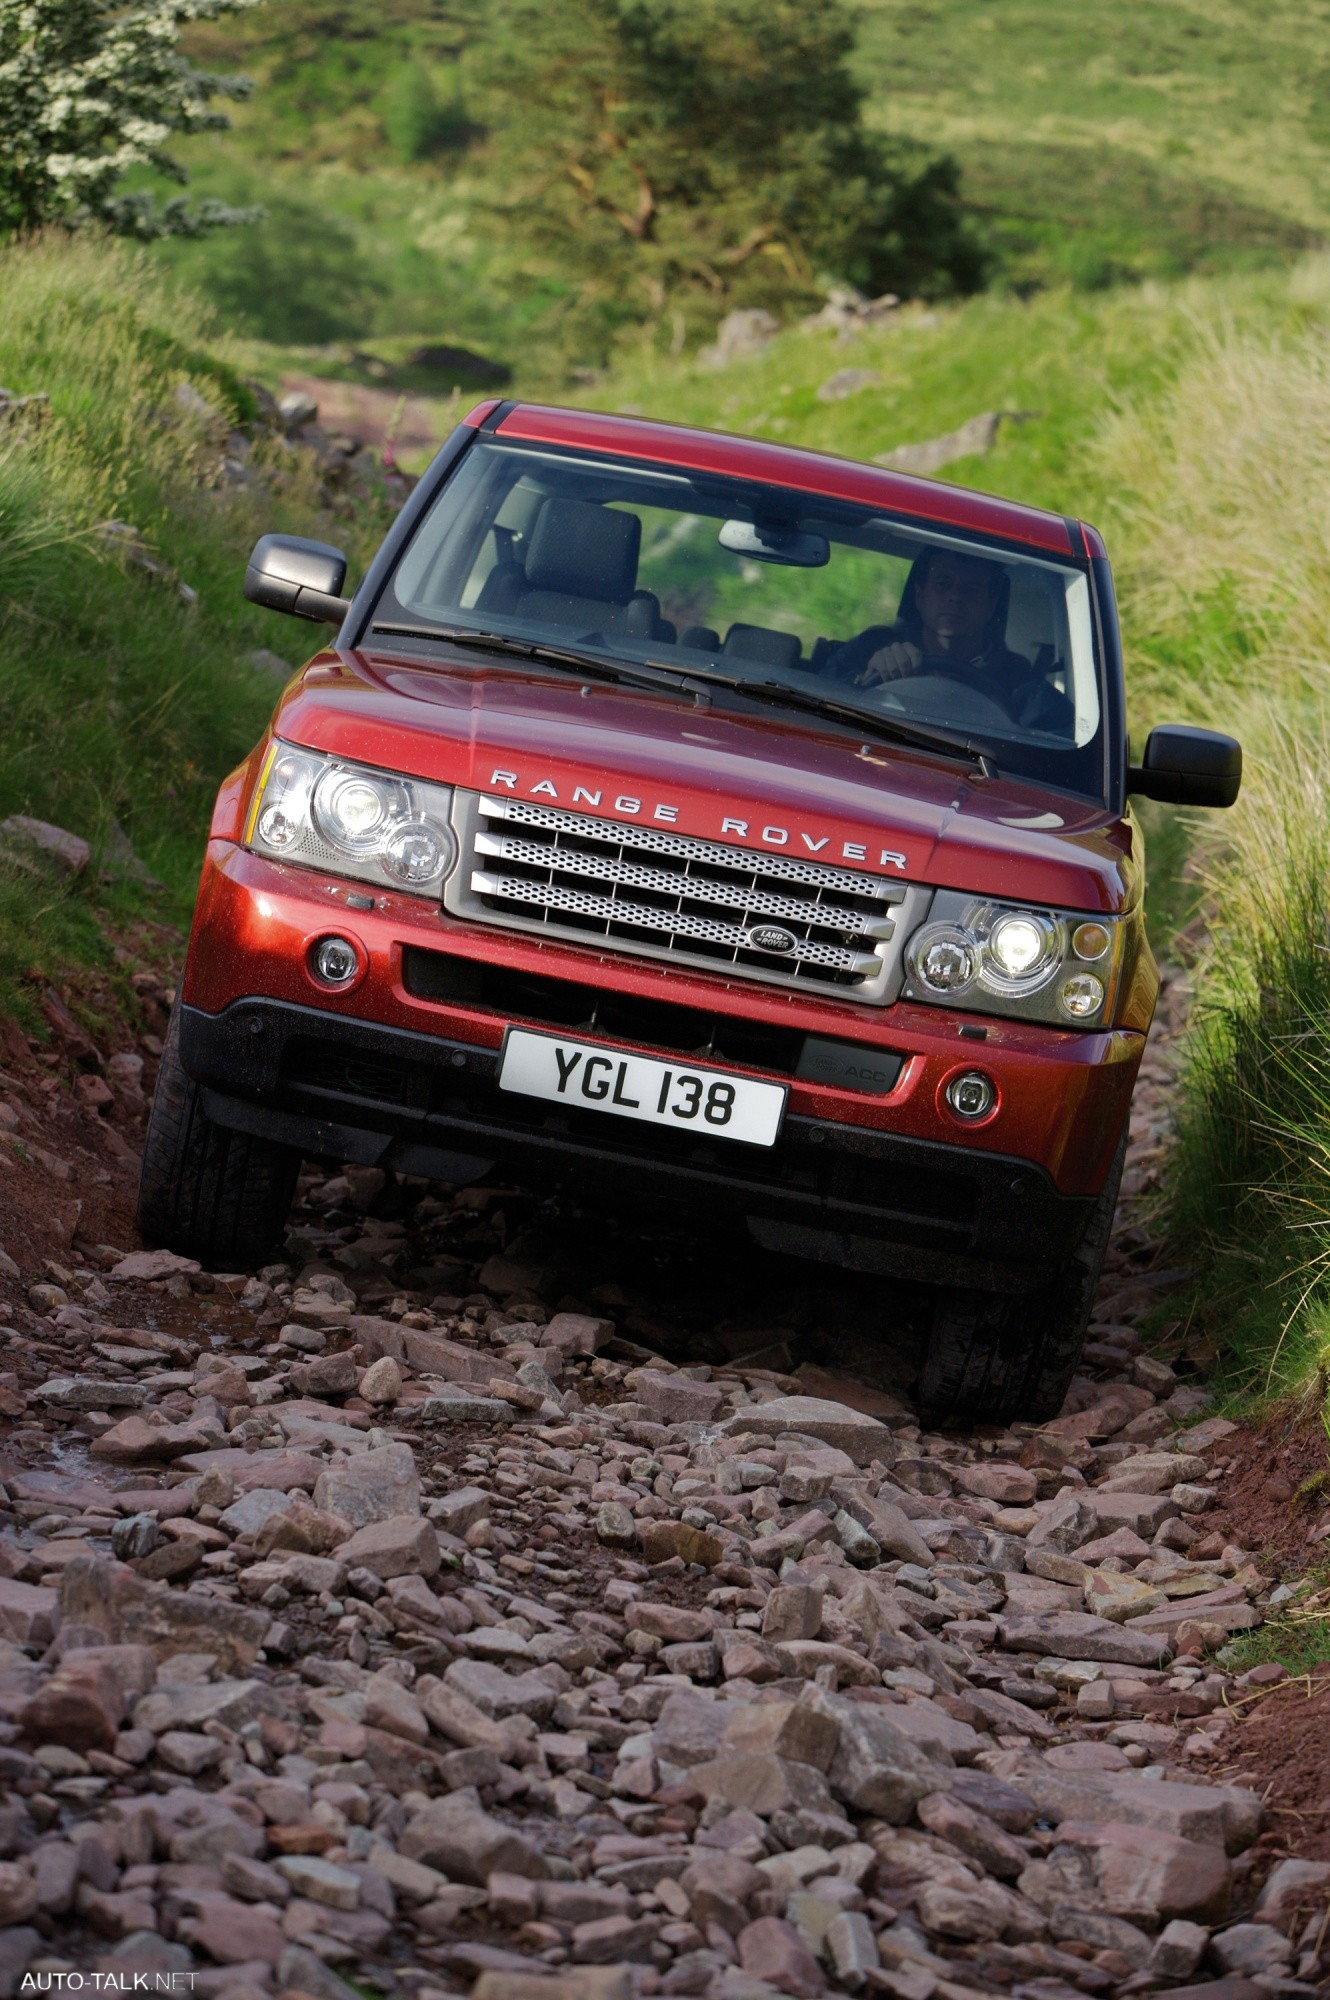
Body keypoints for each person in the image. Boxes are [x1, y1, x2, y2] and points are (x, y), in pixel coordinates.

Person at [827, 544, 1071, 731]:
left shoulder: (1020, 684)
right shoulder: (871, 647)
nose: (955, 597)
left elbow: (1061, 739)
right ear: (919, 596)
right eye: (943, 584)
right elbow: (819, 701)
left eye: (970, 589)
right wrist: (862, 680)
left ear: (991, 605)